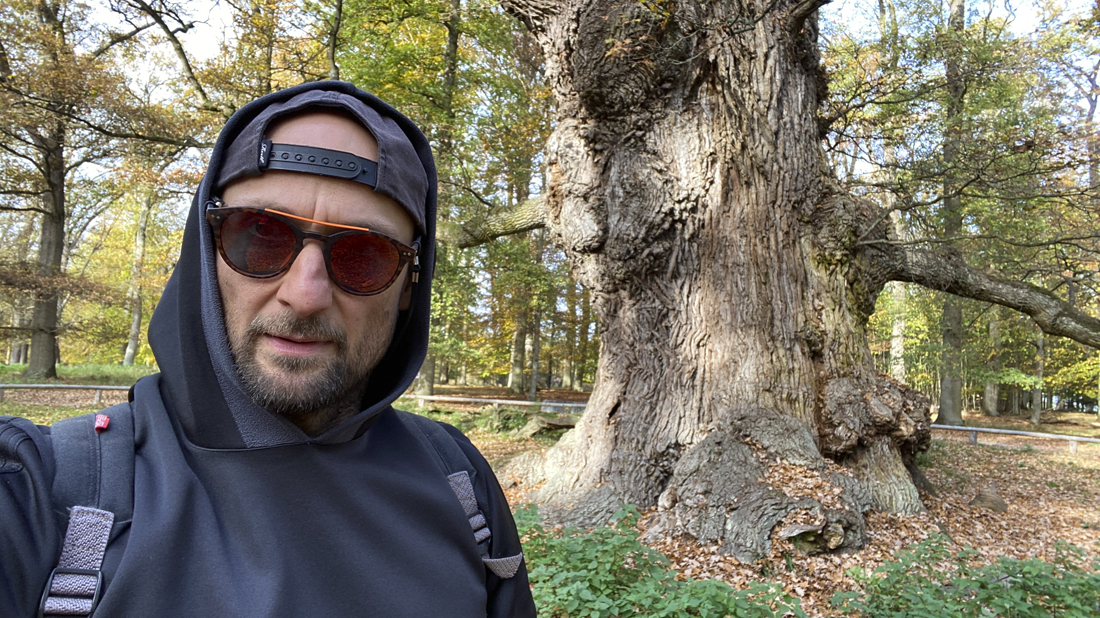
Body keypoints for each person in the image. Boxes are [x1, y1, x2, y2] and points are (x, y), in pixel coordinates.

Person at [0, 82, 537, 617]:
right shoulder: (40, 492)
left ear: (408, 288)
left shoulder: (459, 480)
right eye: (260, 236)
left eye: (364, 255)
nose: (305, 295)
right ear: (205, 253)